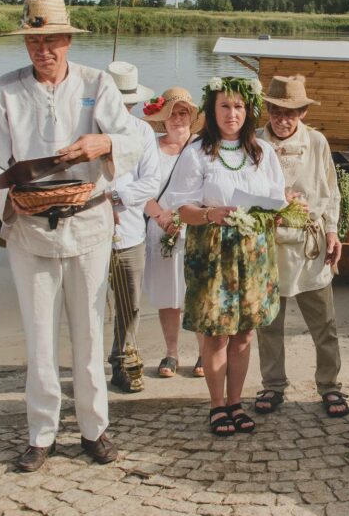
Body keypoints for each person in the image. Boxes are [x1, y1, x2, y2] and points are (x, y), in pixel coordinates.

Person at [0, 0, 146, 472]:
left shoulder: (97, 83)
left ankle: (94, 429)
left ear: (68, 40)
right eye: (34, 40)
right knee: (39, 336)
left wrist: (105, 141)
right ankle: (41, 433)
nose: (42, 49)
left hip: (89, 222)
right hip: (30, 228)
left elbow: (135, 139)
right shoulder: (4, 91)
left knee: (90, 332)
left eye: (50, 39)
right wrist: (8, 202)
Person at [166, 77, 286, 435]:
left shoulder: (263, 152)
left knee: (245, 334)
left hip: (254, 252)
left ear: (248, 110)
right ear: (212, 110)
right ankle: (217, 405)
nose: (231, 113)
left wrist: (285, 208)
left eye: (237, 106)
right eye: (224, 106)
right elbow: (180, 209)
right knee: (217, 334)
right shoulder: (197, 152)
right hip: (213, 251)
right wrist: (209, 214)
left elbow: (275, 200)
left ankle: (236, 401)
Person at [253, 75, 349, 418]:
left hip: (310, 243)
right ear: (268, 109)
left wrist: (333, 232)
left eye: (290, 113)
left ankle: (329, 385)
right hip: (269, 245)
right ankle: (273, 384)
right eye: (277, 112)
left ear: (304, 112)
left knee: (324, 323)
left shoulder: (318, 143)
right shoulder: (254, 144)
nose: (282, 120)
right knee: (268, 323)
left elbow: (332, 191)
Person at [141, 87, 204, 379]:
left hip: (195, 227)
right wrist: (161, 217)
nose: (178, 119)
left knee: (198, 292)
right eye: (172, 114)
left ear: (191, 117)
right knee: (169, 295)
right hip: (161, 228)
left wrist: (186, 215)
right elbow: (140, 190)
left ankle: (205, 352)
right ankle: (171, 353)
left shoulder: (202, 147)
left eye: (183, 113)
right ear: (163, 118)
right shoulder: (150, 148)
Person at [104, 61, 160, 393]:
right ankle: (85, 367)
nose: (123, 108)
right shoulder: (86, 128)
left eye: (127, 102)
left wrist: (116, 197)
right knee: (87, 304)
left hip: (129, 232)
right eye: (117, 101)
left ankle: (121, 361)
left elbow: (150, 182)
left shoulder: (143, 132)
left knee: (131, 304)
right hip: (89, 232)